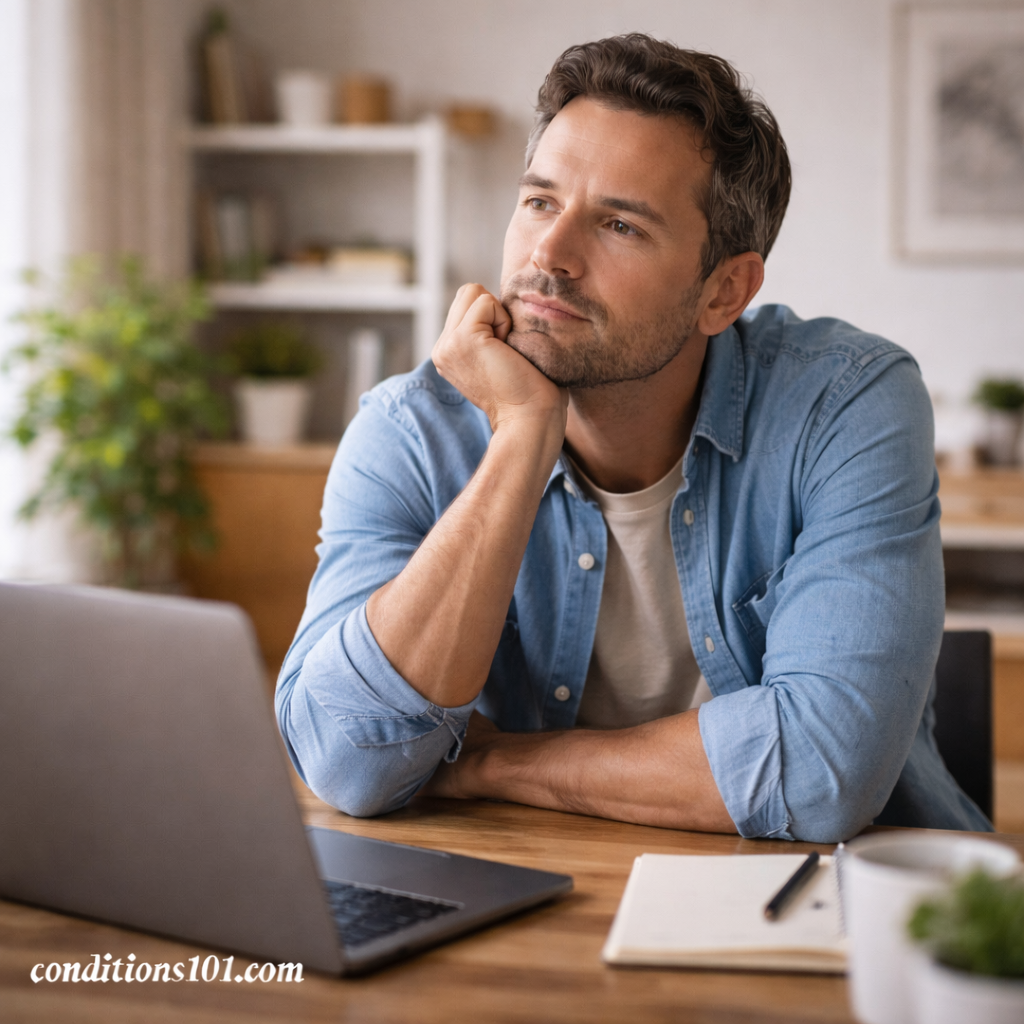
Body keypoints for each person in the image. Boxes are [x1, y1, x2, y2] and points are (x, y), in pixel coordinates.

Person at [275, 34, 990, 843]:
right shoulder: (410, 431)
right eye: (540, 201)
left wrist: (490, 763)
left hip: (827, 915)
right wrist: (521, 438)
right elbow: (345, 759)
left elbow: (823, 774)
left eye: (618, 224)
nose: (549, 255)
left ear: (725, 290)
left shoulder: (846, 404)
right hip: (528, 899)